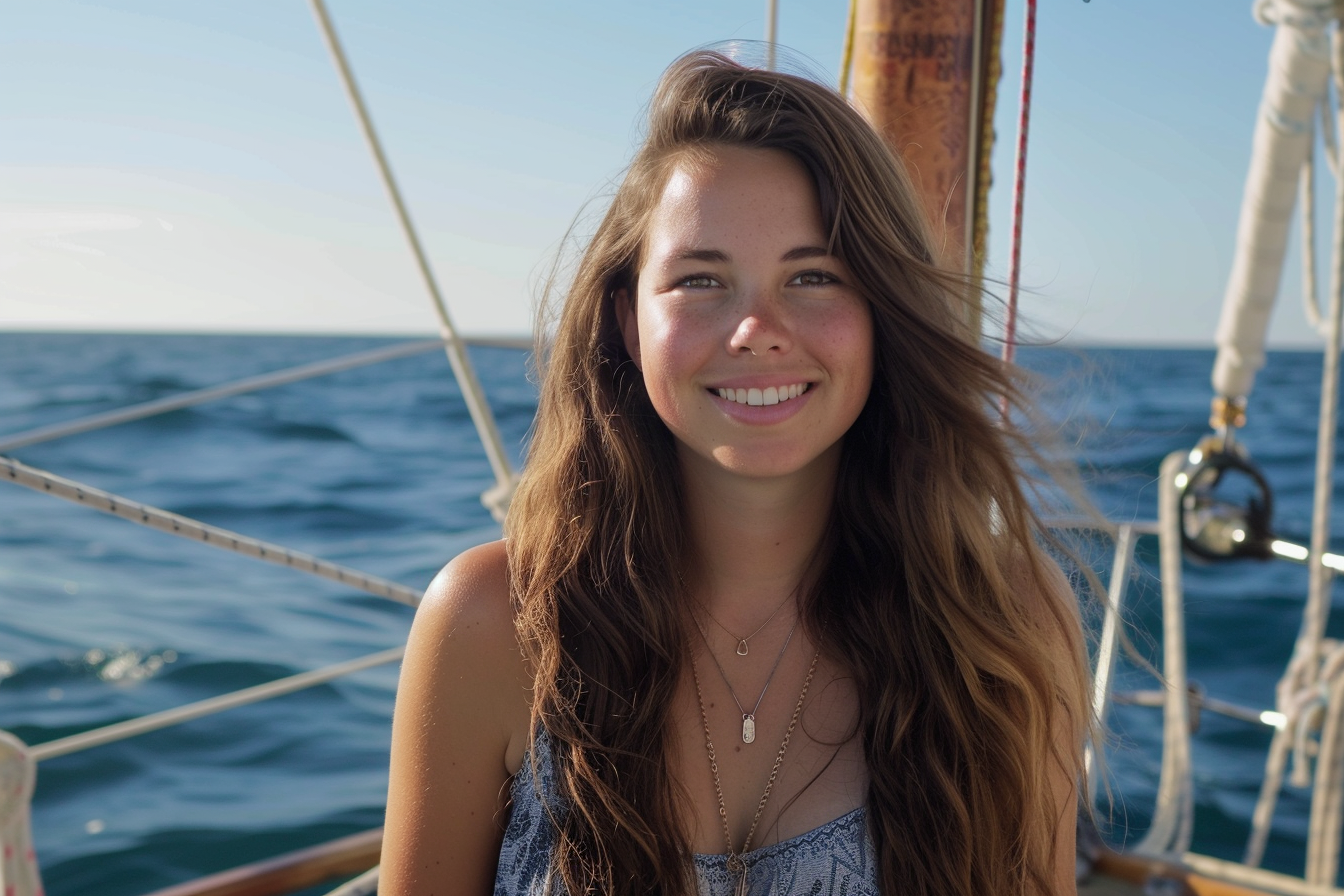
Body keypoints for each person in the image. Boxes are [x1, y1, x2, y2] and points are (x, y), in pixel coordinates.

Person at [379, 48, 1091, 896]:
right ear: (628, 321)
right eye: (701, 279)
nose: (756, 328)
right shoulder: (494, 626)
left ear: (882, 315)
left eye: (815, 275)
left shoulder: (1003, 626)